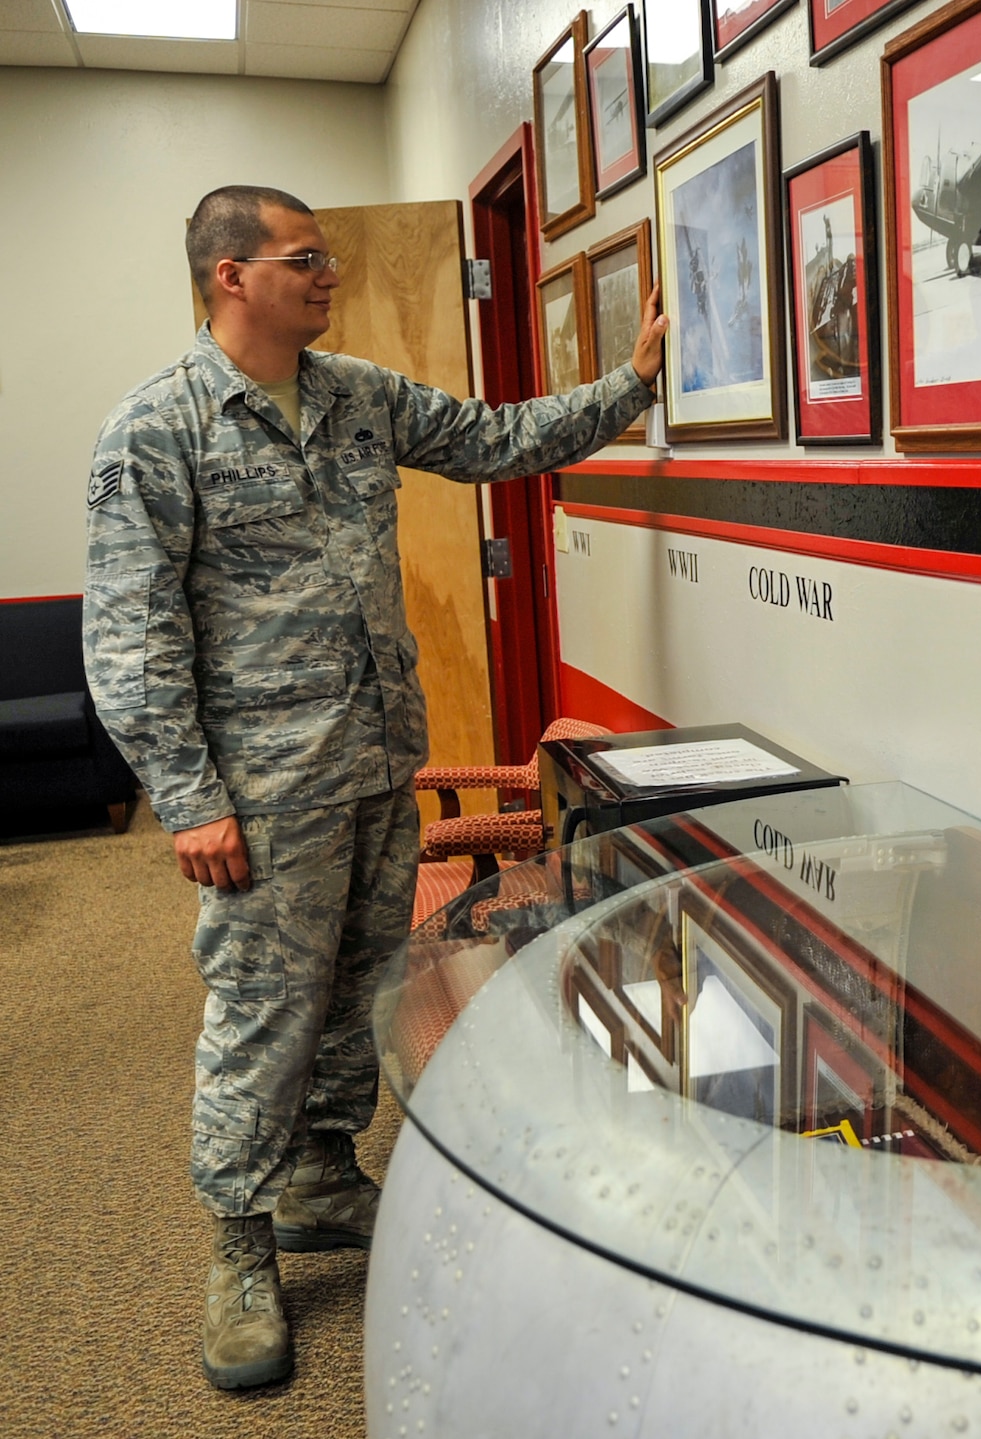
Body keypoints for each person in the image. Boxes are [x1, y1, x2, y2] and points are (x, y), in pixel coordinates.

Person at [80, 186, 669, 1392]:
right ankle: (240, 1245)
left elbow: (497, 440)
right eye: (304, 258)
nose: (329, 272)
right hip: (259, 780)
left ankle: (322, 1178)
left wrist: (636, 382)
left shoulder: (358, 396)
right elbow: (131, 636)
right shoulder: (158, 427)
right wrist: (188, 796)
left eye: (328, 254)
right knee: (261, 1005)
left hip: (371, 756)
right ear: (230, 274)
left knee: (362, 977)